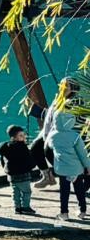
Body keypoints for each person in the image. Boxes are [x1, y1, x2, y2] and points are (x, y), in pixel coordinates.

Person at [46, 80, 90, 222]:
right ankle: (82, 210)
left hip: (62, 168)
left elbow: (49, 149)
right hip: (76, 167)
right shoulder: (75, 136)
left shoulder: (52, 136)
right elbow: (82, 154)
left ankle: (64, 212)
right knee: (79, 190)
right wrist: (87, 166)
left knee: (64, 192)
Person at [0, 125, 38, 216]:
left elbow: (2, 159)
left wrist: (5, 168)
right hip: (23, 175)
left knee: (15, 192)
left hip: (11, 175)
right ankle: (25, 207)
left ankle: (17, 207)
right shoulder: (22, 147)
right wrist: (32, 165)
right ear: (13, 137)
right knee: (26, 192)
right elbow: (29, 160)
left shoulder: (6, 147)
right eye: (21, 135)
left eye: (24, 135)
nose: (24, 137)